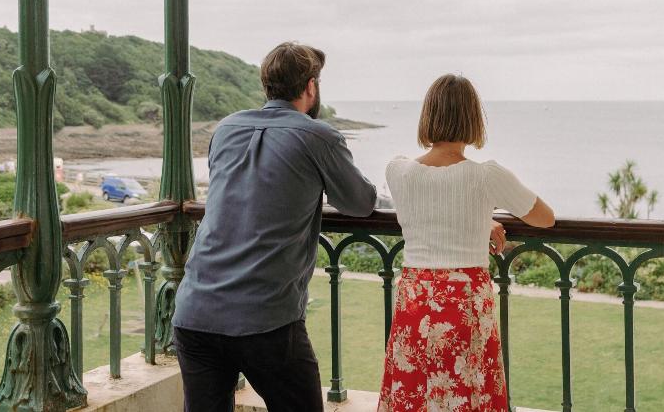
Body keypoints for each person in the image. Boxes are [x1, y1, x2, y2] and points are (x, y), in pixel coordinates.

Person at [172, 42, 377, 412]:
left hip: (196, 310)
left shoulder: (227, 128)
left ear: (266, 85)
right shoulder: (318, 136)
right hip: (265, 318)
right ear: (311, 86)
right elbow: (361, 203)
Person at [378, 74, 555, 412]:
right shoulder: (485, 176)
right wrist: (482, 217)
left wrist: (479, 219)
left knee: (413, 393)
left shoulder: (397, 172)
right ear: (473, 118)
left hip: (415, 299)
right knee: (469, 394)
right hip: (464, 302)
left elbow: (430, 193)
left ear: (428, 116)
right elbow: (545, 218)